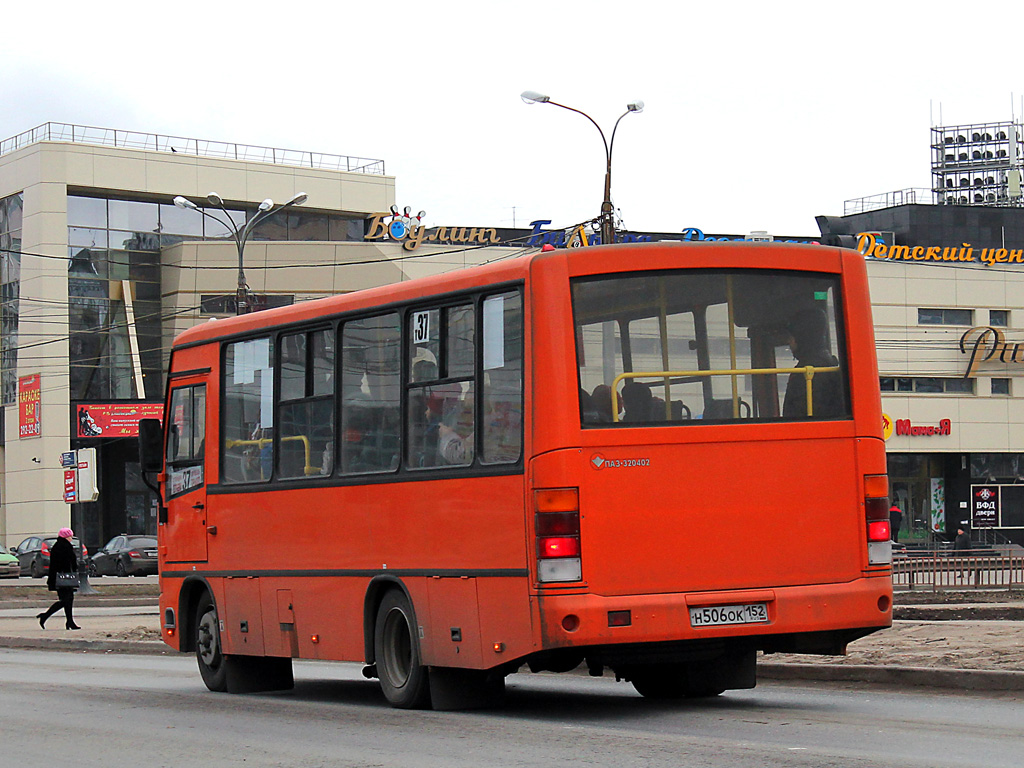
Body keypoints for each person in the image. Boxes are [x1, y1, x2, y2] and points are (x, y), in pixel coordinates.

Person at [782, 307, 844, 419]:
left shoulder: (808, 372)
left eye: (791, 337)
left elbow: (798, 414)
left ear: (802, 337)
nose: (789, 342)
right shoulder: (828, 364)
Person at [37, 528, 80, 630]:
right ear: (65, 536)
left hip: (61, 578)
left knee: (68, 600)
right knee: (66, 600)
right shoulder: (63, 547)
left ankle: (70, 622)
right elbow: (66, 563)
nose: (71, 538)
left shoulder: (60, 546)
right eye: (70, 536)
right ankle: (45, 616)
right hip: (62, 578)